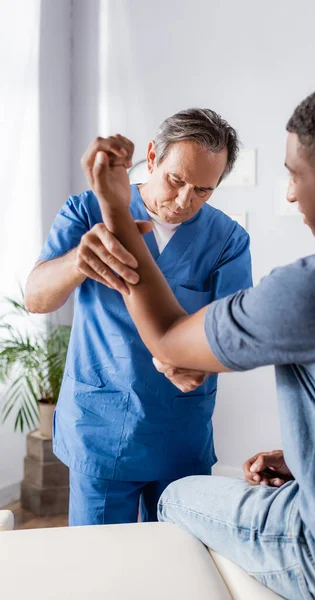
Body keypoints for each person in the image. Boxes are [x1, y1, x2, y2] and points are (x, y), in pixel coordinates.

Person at [84, 75, 315, 600]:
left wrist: (116, 207)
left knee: (179, 497)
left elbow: (167, 339)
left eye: (294, 174)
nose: (293, 191)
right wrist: (306, 458)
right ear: (155, 158)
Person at [24, 109, 252, 526]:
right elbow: (36, 299)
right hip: (99, 424)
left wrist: (195, 361)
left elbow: (233, 336)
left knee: (178, 561)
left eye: (203, 190)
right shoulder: (88, 210)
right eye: (176, 181)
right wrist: (79, 261)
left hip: (178, 430)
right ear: (152, 156)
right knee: (99, 565)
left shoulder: (228, 240)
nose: (185, 202)